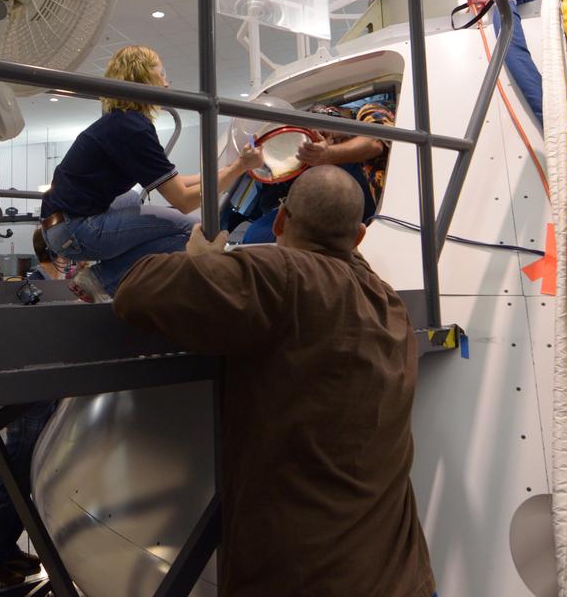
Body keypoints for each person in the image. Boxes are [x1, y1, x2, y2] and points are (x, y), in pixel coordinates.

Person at [114, 166, 435, 597]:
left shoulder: (279, 275)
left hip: (306, 578)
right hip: (401, 575)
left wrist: (200, 264)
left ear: (280, 221)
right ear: (359, 238)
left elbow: (136, 290)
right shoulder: (387, 302)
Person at [40, 45, 263, 301]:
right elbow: (183, 200)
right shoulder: (133, 128)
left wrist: (225, 170)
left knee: (135, 198)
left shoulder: (121, 121)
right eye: (162, 73)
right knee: (189, 229)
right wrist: (239, 168)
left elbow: (175, 182)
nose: (167, 83)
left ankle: (113, 271)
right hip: (74, 233)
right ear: (143, 77)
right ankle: (101, 279)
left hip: (59, 225)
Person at [241, 100, 395, 244]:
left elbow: (375, 141)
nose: (323, 137)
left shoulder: (369, 112)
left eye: (324, 121)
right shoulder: (306, 161)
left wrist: (329, 154)